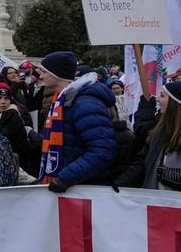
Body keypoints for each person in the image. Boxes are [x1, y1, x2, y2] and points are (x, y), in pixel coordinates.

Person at [34, 52, 119, 191]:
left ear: (57, 74)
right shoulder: (62, 100)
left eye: (44, 72)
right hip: (73, 184)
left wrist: (66, 178)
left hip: (84, 188)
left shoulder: (85, 104)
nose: (41, 76)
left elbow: (103, 150)